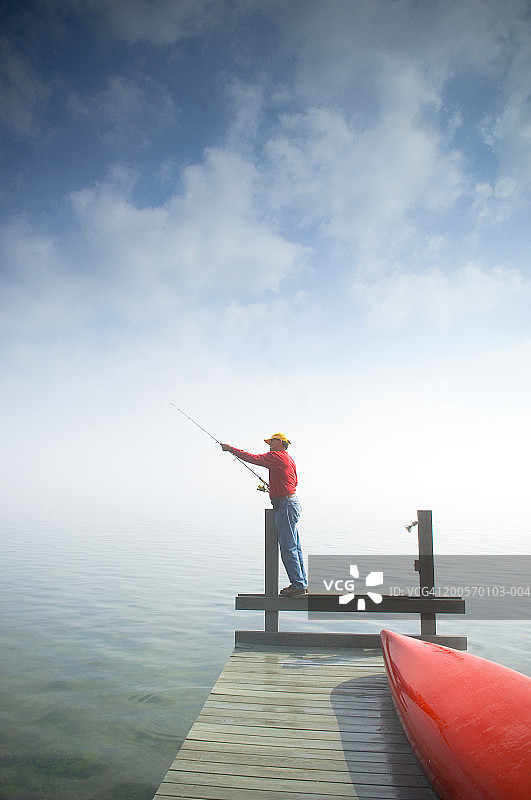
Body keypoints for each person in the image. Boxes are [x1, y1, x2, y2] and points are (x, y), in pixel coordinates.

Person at [220, 433, 307, 597]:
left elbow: (254, 458)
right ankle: (301, 582)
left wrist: (231, 449)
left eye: (271, 441)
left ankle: (298, 586)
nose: (269, 444)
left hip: (285, 506)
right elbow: (294, 482)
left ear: (281, 443)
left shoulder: (276, 456)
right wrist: (276, 485)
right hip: (291, 503)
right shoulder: (288, 459)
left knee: (288, 548)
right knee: (295, 546)